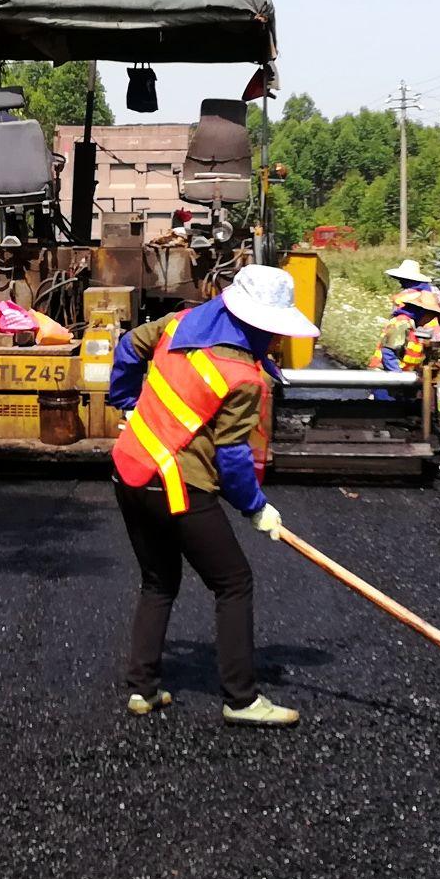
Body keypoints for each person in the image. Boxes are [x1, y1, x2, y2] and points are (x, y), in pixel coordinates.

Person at [107, 264, 319, 727]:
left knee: (159, 580)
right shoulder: (244, 377)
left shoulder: (178, 324)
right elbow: (234, 458)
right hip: (177, 488)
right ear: (260, 325)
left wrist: (124, 398)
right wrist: (256, 507)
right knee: (234, 581)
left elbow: (127, 348)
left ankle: (142, 689)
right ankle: (242, 701)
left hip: (129, 472)